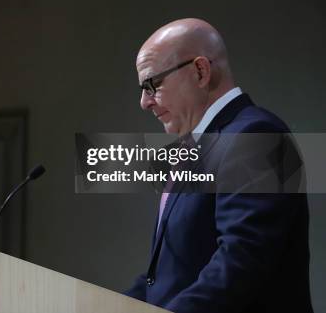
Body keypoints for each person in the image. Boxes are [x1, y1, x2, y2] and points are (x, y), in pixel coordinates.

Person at [125, 18, 313, 313]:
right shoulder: (193, 149)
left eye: (152, 84)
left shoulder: (256, 136)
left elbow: (241, 261)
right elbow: (166, 276)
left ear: (200, 71)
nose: (144, 102)